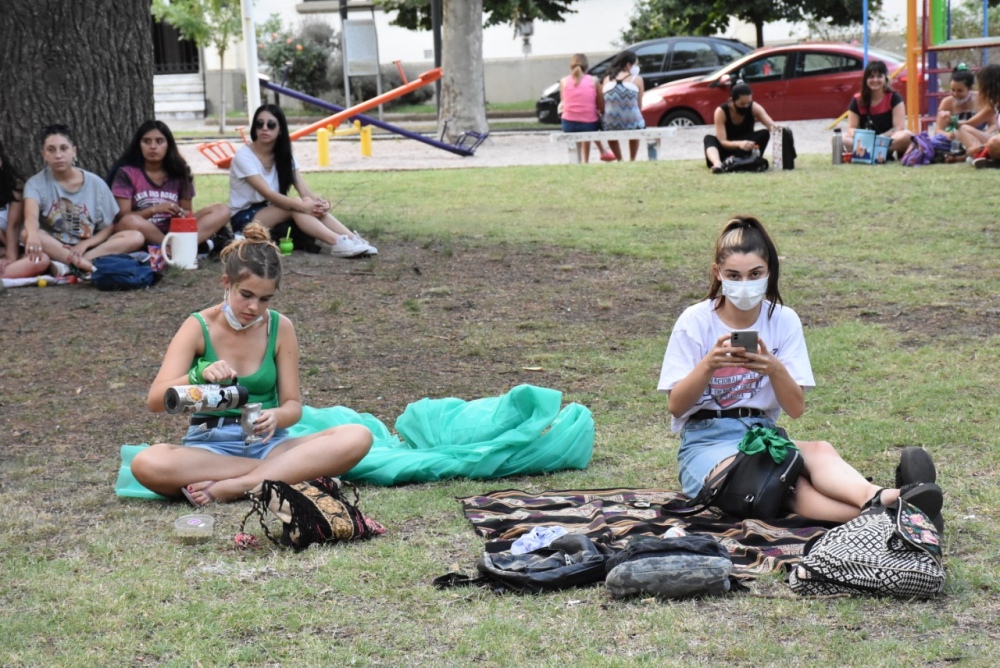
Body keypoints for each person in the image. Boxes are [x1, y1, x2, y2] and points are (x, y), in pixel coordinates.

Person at [657, 216, 943, 525]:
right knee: (779, 480)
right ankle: (897, 514)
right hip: (706, 442)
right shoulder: (695, 320)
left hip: (761, 433)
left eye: (755, 274)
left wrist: (774, 368)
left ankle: (883, 497)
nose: (744, 285)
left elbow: (795, 408)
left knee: (818, 451)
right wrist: (709, 364)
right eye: (733, 276)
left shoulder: (783, 320)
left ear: (769, 272)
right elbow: (676, 405)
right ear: (718, 273)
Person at [131, 222, 373, 505]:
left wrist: (277, 417)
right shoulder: (198, 326)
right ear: (226, 284)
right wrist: (198, 375)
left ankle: (238, 486)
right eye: (246, 295)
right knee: (146, 463)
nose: (254, 308)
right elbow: (155, 400)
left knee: (357, 435)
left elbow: (293, 406)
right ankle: (282, 475)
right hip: (211, 451)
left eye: (265, 299)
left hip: (270, 445)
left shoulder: (280, 327)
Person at [229, 104, 376, 258]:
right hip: (244, 218)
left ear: (280, 129)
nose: (264, 128)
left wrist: (321, 203)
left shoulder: (284, 156)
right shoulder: (244, 157)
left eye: (271, 125)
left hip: (272, 210)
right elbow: (268, 193)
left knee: (303, 201)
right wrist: (302, 205)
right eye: (260, 124)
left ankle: (353, 239)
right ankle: (337, 242)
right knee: (296, 205)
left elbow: (304, 189)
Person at [22, 125, 143, 275]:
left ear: (74, 151)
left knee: (135, 237)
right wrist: (33, 235)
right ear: (43, 154)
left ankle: (73, 265)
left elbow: (108, 227)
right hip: (55, 247)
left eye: (64, 148)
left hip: (89, 247)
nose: (58, 155)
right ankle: (82, 265)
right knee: (27, 233)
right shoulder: (35, 184)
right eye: (51, 150)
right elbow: (31, 216)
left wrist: (85, 244)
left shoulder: (95, 183)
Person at [108, 120, 231, 253]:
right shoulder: (127, 173)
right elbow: (123, 217)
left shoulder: (179, 171)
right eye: (147, 141)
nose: (153, 146)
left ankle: (173, 248)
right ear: (139, 145)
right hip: (141, 230)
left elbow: (187, 213)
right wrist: (154, 210)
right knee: (130, 220)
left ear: (168, 145)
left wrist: (180, 213)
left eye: (159, 141)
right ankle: (179, 249)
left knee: (222, 210)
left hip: (173, 230)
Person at [703, 82, 778, 173]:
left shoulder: (754, 107)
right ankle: (718, 164)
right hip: (727, 149)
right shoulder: (721, 112)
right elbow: (722, 141)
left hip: (746, 151)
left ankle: (734, 161)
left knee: (764, 133)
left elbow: (771, 125)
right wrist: (739, 144)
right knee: (709, 138)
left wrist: (779, 130)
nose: (746, 106)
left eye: (748, 103)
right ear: (731, 101)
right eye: (742, 104)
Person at [843, 60, 913, 158]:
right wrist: (865, 138)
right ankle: (873, 153)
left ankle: (872, 153)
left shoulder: (894, 98)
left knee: (907, 135)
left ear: (885, 78)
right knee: (842, 138)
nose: (875, 80)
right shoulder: (857, 100)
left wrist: (879, 139)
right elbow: (851, 127)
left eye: (879, 76)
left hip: (886, 141)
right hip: (864, 142)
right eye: (871, 77)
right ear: (865, 80)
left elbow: (898, 128)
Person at [0, 140, 48, 280]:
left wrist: (10, 257)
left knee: (41, 260)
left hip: (7, 248)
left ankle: (7, 271)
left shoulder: (14, 187)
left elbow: (13, 226)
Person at [559, 53, 611, 164]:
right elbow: (601, 105)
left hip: (568, 124)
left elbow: (564, 102)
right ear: (587, 66)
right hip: (589, 124)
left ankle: (580, 160)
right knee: (590, 121)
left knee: (581, 120)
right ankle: (592, 157)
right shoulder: (594, 81)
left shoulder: (563, 81)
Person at [601, 50, 646, 162]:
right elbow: (639, 105)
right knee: (636, 120)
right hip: (633, 122)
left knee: (609, 128)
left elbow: (604, 103)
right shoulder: (637, 79)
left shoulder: (607, 79)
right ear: (628, 65)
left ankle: (620, 159)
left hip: (611, 123)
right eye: (636, 64)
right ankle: (632, 159)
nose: (637, 67)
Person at [956, 64, 1000, 168]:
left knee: (994, 142)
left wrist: (982, 146)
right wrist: (951, 122)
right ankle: (981, 157)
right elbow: (969, 124)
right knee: (963, 129)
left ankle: (984, 155)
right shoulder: (994, 105)